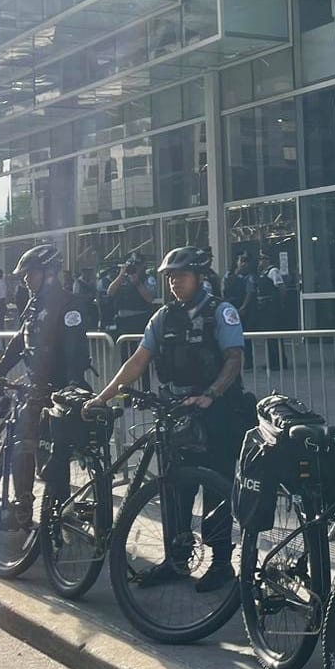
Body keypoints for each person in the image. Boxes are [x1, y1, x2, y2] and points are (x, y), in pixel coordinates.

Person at [90, 246, 252, 592]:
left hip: (216, 415)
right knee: (174, 490)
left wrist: (212, 393)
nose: (174, 283)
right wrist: (103, 396)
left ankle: (222, 564)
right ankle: (176, 561)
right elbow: (137, 361)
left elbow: (234, 359)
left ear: (199, 276)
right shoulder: (163, 317)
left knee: (216, 491)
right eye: (170, 277)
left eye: (181, 276)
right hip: (176, 415)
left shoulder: (220, 313)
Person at [0, 244, 92, 533]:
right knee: (22, 447)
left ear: (48, 273)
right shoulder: (33, 304)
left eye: (29, 274)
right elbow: (18, 344)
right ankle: (22, 509)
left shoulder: (69, 304)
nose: (25, 280)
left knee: (52, 454)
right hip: (34, 389)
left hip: (60, 390)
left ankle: (57, 512)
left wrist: (70, 386)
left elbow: (75, 351)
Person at [106, 253, 158, 336]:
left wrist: (137, 283)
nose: (134, 267)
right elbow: (110, 292)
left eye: (137, 265)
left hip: (139, 320)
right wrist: (121, 275)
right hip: (121, 322)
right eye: (131, 264)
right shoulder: (121, 278)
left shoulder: (147, 279)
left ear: (142, 266)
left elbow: (149, 298)